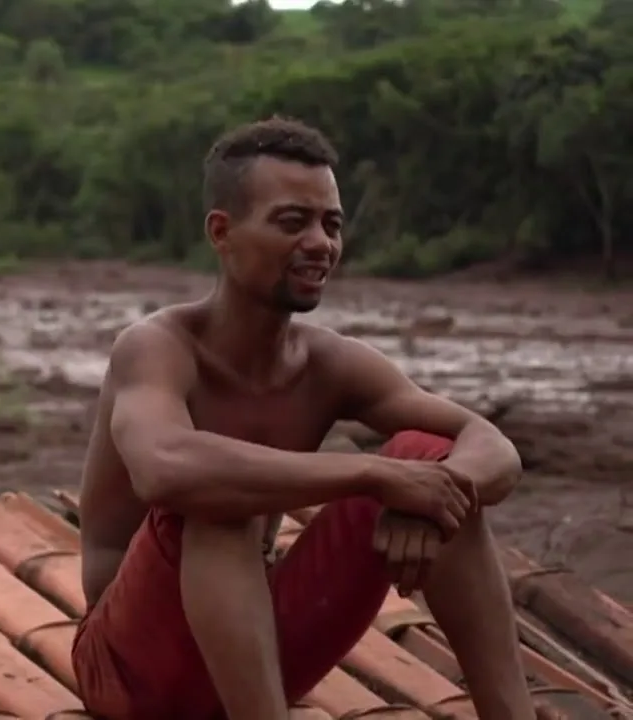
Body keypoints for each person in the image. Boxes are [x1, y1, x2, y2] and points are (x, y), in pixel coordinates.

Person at [71, 117, 535, 720]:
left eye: (331, 224)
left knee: (435, 459)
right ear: (223, 231)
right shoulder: (158, 347)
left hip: (249, 659)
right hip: (131, 671)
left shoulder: (330, 362)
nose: (321, 243)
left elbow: (494, 447)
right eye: (293, 222)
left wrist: (430, 498)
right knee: (218, 501)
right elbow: (165, 470)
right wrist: (372, 477)